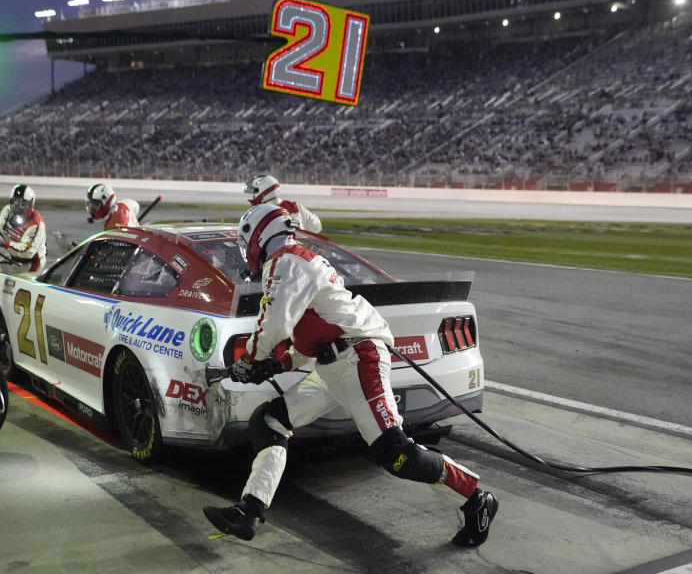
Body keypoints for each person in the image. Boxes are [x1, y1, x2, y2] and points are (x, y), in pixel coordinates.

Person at [202, 204, 498, 547]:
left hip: (358, 359)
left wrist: (250, 360)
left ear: (257, 237)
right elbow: (319, 333)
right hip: (336, 363)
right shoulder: (295, 261)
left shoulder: (284, 261)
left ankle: (477, 498)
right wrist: (279, 364)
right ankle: (249, 511)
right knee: (268, 421)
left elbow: (274, 325)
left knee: (396, 453)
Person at [0, 183, 47, 273]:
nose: (17, 207)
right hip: (13, 257)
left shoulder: (36, 224)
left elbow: (26, 251)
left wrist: (3, 243)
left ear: (31, 203)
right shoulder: (7, 210)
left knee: (13, 286)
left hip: (31, 264)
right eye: (14, 202)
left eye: (23, 203)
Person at [244, 174, 322, 233]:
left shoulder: (261, 212)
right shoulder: (295, 206)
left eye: (254, 193)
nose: (253, 197)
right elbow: (316, 227)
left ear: (263, 192)